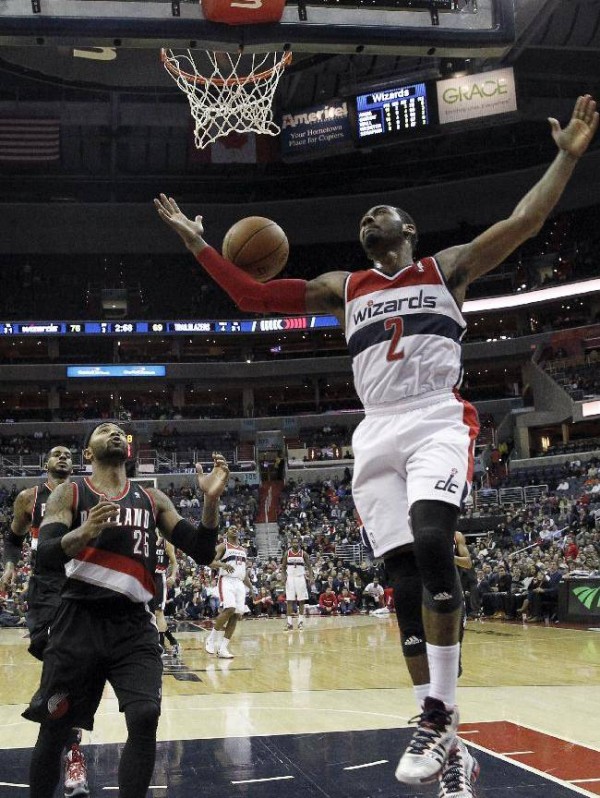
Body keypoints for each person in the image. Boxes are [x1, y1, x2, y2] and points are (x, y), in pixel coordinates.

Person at [155, 94, 598, 790]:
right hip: (376, 430)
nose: (367, 219)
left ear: (408, 229)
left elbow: (525, 221)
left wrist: (566, 158)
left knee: (434, 540)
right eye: (362, 217)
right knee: (403, 584)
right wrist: (195, 241)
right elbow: (250, 296)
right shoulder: (343, 286)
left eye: (379, 213)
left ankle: (440, 714)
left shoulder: (446, 268)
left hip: (435, 418)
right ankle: (448, 741)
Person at [23, 423, 229, 798]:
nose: (115, 434)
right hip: (78, 623)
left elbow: (201, 550)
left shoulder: (152, 499)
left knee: (145, 716)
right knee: (54, 727)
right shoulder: (71, 492)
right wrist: (82, 534)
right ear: (88, 453)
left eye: (119, 431)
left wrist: (210, 502)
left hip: (133, 625)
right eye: (104, 431)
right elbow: (46, 556)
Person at [1, 445, 91, 798]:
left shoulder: (84, 495)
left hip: (80, 582)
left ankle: (71, 747)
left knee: (69, 666)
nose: (63, 457)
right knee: (57, 654)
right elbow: (13, 538)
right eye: (56, 453)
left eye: (69, 453)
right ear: (46, 463)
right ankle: (72, 747)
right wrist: (10, 565)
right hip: (46, 586)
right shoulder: (29, 498)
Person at [204, 527, 252, 658]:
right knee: (230, 608)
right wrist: (223, 565)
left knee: (236, 615)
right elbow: (210, 562)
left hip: (240, 583)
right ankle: (211, 639)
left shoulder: (243, 550)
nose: (234, 530)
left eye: (236, 529)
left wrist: (251, 588)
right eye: (231, 528)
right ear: (226, 533)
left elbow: (244, 573)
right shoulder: (223, 546)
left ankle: (223, 649)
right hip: (226, 580)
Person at [154, 531, 180, 656]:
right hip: (146, 577)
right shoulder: (146, 539)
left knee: (158, 612)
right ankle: (172, 640)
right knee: (149, 613)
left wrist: (173, 576)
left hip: (159, 577)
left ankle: (161, 644)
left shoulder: (166, 542)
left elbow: (174, 562)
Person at [281, 534, 313, 631]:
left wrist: (311, 577)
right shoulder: (287, 553)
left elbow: (309, 566)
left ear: (299, 543)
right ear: (291, 543)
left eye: (297, 542)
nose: (295, 544)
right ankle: (289, 623)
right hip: (290, 578)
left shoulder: (303, 553)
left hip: (300, 578)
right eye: (293, 542)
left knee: (301, 600)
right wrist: (283, 577)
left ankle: (300, 622)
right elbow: (283, 567)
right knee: (289, 601)